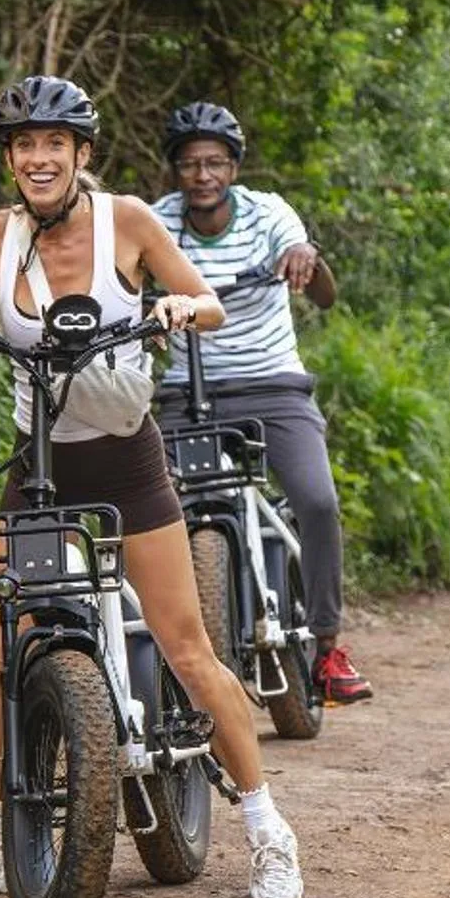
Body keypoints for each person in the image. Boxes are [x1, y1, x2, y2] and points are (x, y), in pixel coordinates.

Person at [0, 75, 307, 898]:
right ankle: (13, 821)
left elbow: (208, 302)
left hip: (125, 462)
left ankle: (266, 830)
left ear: (82, 155)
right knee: (8, 651)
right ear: (9, 158)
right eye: (23, 146)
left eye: (54, 146)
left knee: (187, 651)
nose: (38, 159)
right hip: (40, 469)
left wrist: (178, 308)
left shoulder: (129, 222)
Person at [150, 101, 370, 705]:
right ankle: (166, 658)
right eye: (190, 164)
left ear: (234, 167)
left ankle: (327, 649)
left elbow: (321, 293)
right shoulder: (156, 222)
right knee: (155, 513)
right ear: (174, 169)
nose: (203, 175)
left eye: (215, 162)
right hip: (184, 393)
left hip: (273, 385)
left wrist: (308, 257)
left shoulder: (268, 212)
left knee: (317, 500)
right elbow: (122, 275)